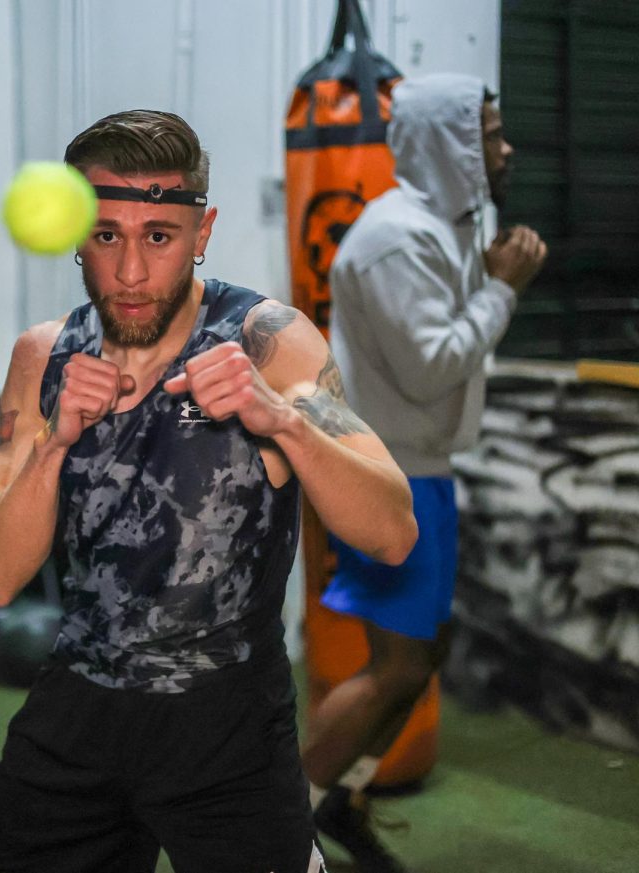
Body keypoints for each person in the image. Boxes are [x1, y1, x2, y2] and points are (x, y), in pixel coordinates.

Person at [0, 109, 417, 873]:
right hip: (79, 709)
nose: (132, 272)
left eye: (160, 236)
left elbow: (393, 531)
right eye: (107, 235)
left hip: (229, 725)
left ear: (202, 233)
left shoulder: (268, 344)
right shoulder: (44, 357)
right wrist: (54, 442)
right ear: (76, 233)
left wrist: (284, 422)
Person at [306, 74, 548, 872]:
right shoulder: (394, 237)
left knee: (423, 651)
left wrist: (485, 281)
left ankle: (343, 796)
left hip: (420, 468)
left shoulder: (436, 229)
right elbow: (432, 366)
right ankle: (280, 821)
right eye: (488, 134)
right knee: (397, 664)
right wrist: (504, 291)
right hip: (389, 473)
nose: (503, 148)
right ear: (450, 143)